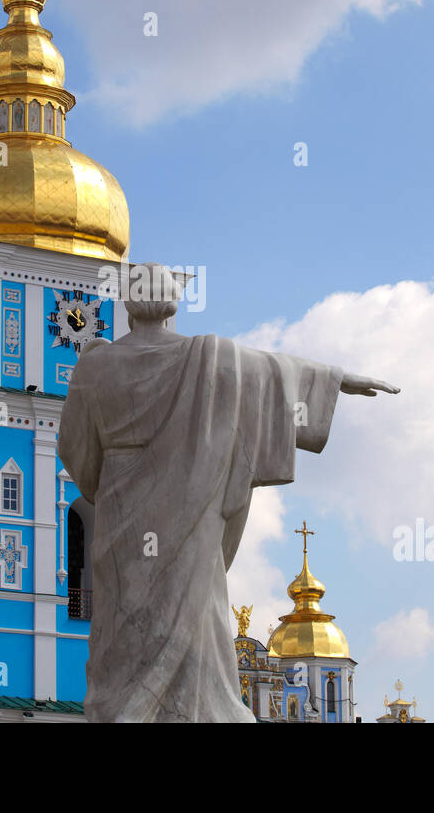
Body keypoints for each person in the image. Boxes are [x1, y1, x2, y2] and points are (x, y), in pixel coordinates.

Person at [58, 263, 398, 721]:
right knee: (199, 618)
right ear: (172, 304)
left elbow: (76, 450)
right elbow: (269, 375)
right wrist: (339, 380)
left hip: (122, 516)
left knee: (123, 630)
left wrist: (113, 480)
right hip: (191, 508)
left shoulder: (96, 366)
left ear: (128, 304)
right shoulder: (207, 358)